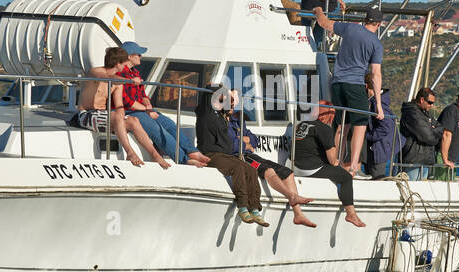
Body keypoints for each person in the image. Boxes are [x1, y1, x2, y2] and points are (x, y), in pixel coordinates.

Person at [226, 91, 316, 228]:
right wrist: (246, 143)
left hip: (251, 155)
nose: (233, 106)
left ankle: (298, 214)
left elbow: (254, 139)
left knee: (287, 172)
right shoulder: (222, 123)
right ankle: (291, 196)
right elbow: (231, 144)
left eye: (233, 103)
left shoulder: (237, 120)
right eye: (230, 103)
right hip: (241, 156)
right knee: (267, 170)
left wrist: (245, 141)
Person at [117, 41, 210, 166]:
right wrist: (147, 110)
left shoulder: (135, 73)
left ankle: (192, 151)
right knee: (158, 130)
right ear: (129, 56)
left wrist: (148, 106)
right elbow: (126, 102)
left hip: (142, 109)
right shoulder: (119, 75)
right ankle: (183, 159)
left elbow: (143, 95)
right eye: (138, 54)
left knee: (170, 124)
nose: (141, 57)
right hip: (130, 111)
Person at [315, 7, 383, 175]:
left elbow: (323, 22)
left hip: (337, 84)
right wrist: (379, 107)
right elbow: (375, 74)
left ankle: (336, 164)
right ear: (379, 24)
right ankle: (353, 167)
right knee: (360, 126)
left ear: (365, 19)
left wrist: (318, 10)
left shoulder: (350, 28)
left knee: (341, 126)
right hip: (355, 85)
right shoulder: (376, 43)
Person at [72, 46, 162, 168]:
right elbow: (108, 78)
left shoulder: (118, 82)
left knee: (133, 120)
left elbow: (119, 105)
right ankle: (130, 153)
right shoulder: (95, 72)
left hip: (103, 115)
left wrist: (121, 115)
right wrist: (130, 80)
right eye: (124, 64)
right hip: (86, 115)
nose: (125, 67)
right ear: (118, 64)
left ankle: (155, 155)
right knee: (116, 116)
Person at [196, 83, 269, 226]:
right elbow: (208, 94)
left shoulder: (221, 115)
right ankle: (242, 207)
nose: (223, 102)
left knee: (251, 170)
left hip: (225, 154)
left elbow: (230, 108)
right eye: (220, 98)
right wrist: (216, 86)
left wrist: (228, 98)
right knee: (237, 169)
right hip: (210, 153)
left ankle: (254, 208)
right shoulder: (205, 112)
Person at [290, 101, 365, 227]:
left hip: (293, 166)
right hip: (308, 169)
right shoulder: (324, 129)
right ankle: (351, 214)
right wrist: (343, 168)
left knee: (335, 170)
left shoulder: (302, 124)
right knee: (345, 177)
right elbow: (332, 161)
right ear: (330, 115)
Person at [398, 87, 442, 180]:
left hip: (425, 161)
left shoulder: (426, 113)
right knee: (411, 189)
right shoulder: (412, 113)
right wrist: (433, 133)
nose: (432, 106)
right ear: (422, 100)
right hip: (413, 161)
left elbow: (440, 128)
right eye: (430, 102)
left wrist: (431, 130)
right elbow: (428, 137)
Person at [363, 73, 395, 180]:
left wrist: (367, 136)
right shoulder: (379, 101)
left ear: (366, 86)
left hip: (379, 149)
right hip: (380, 148)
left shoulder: (378, 103)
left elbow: (385, 127)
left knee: (377, 179)